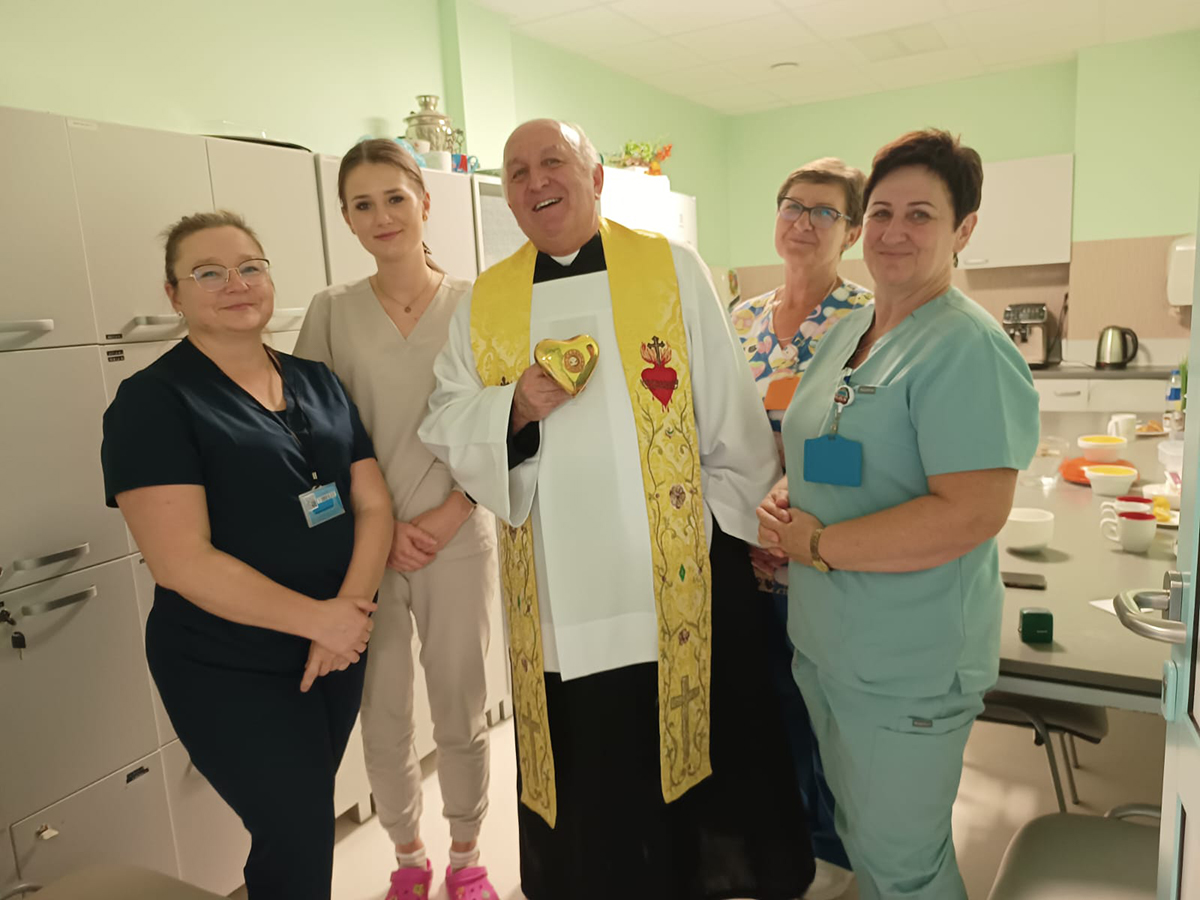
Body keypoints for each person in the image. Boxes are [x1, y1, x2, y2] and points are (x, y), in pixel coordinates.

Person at [419, 118, 814, 900]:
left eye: (553, 162)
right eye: (518, 171)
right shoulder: (487, 299)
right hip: (557, 591)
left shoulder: (670, 269)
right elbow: (445, 416)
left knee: (684, 749)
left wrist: (729, 527)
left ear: (595, 178)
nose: (536, 182)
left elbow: (728, 408)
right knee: (590, 765)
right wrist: (514, 406)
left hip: (672, 570)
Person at [756, 129, 1040, 899]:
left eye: (921, 215)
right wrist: (791, 493)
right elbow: (828, 445)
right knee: (865, 840)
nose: (894, 231)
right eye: (882, 212)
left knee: (905, 867)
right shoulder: (855, 329)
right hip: (830, 645)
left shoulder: (966, 347)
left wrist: (819, 542)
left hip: (906, 664)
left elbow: (970, 513)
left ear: (963, 230)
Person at [100, 211, 393, 900]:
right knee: (298, 831)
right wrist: (322, 622)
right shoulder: (153, 403)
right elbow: (182, 563)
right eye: (208, 273)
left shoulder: (317, 379)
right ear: (173, 294)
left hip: (334, 650)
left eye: (249, 267)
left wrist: (348, 616)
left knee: (301, 826)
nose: (235, 284)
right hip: (227, 661)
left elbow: (373, 505)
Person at [295, 139, 500, 900]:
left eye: (394, 198)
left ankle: (467, 855)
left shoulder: (479, 303)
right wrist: (366, 527)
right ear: (346, 220)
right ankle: (409, 858)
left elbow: (506, 421)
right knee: (380, 711)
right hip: (365, 548)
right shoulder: (330, 311)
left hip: (458, 534)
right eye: (362, 204)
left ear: (425, 202)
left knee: (460, 704)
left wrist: (456, 508)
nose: (381, 216)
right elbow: (307, 435)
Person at [731, 157, 872, 900]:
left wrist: (787, 510)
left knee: (824, 712)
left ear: (851, 231)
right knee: (764, 708)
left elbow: (859, 446)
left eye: (825, 211)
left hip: (817, 548)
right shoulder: (743, 318)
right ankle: (778, 848)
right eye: (793, 205)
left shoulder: (867, 319)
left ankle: (833, 854)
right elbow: (715, 431)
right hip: (741, 546)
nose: (803, 222)